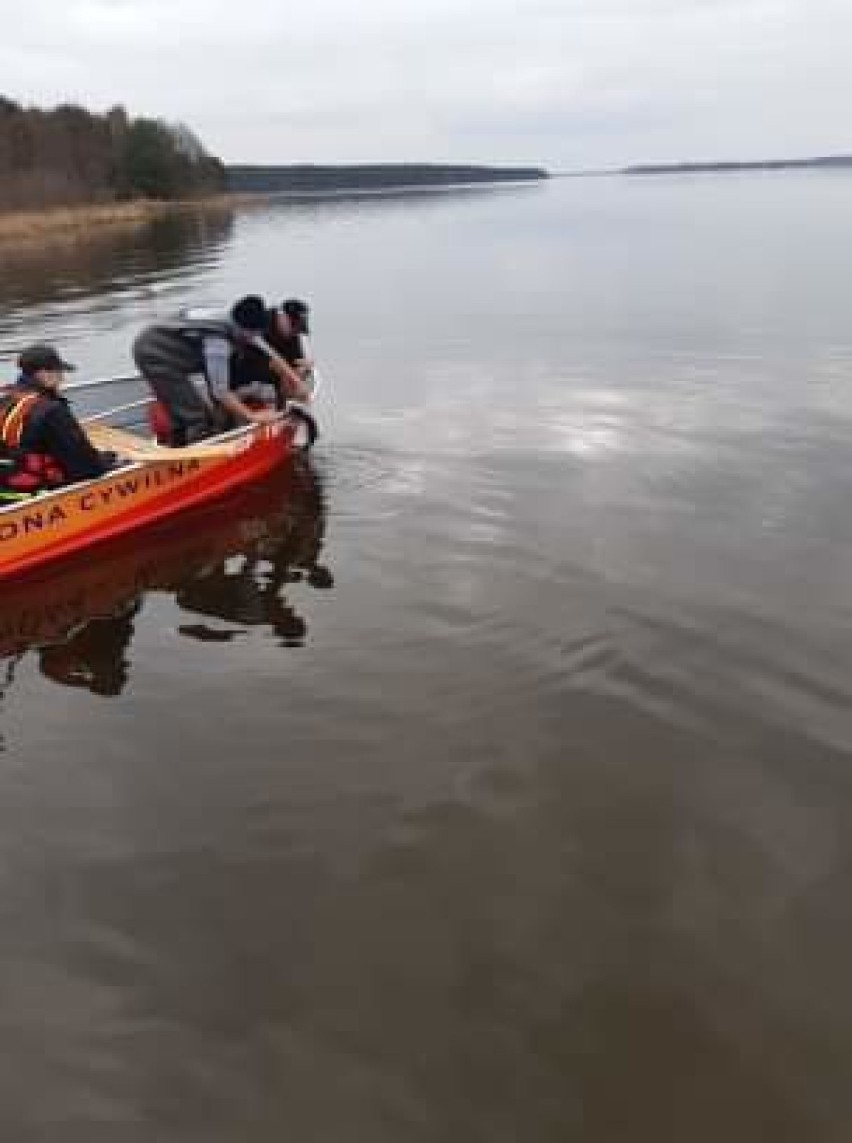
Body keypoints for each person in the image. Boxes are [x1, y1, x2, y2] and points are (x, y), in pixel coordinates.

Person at [132, 295, 305, 446]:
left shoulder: (235, 318)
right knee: (196, 416)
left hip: (161, 342)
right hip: (154, 354)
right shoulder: (218, 342)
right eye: (252, 334)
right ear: (244, 329)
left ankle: (178, 443)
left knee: (184, 413)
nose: (255, 338)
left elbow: (267, 349)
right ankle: (196, 459)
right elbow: (220, 391)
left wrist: (297, 382)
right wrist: (254, 416)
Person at [0, 344, 115, 496]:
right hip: (41, 489)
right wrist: (106, 461)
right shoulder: (51, 410)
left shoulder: (7, 399)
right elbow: (86, 467)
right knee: (114, 463)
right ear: (43, 374)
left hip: (8, 483)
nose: (62, 378)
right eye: (59, 372)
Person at [230, 298, 314, 408]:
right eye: (294, 326)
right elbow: (252, 357)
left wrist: (304, 367)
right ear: (282, 315)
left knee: (301, 370)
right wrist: (281, 371)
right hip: (244, 375)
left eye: (298, 329)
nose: (295, 332)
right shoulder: (258, 323)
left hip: (275, 376)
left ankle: (285, 404)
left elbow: (296, 359)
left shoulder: (292, 335)